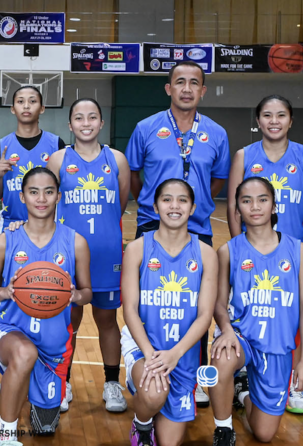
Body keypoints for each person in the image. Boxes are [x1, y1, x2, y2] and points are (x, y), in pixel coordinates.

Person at [125, 61, 229, 405]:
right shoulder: (145, 128)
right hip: (151, 225)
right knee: (150, 306)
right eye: (179, 82)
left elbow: (216, 181)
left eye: (194, 83)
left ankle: (198, 378)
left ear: (203, 90)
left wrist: (192, 205)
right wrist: (158, 205)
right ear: (168, 88)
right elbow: (136, 177)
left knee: (197, 306)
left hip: (197, 228)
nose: (186, 88)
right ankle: (143, 364)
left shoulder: (216, 133)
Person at [225, 94, 303, 415]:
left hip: (291, 252)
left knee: (290, 316)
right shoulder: (244, 156)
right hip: (252, 252)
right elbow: (231, 205)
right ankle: (243, 375)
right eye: (267, 115)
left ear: (291, 120)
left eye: (281, 115)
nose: (274, 121)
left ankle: (294, 382)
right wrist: (240, 249)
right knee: (249, 312)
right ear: (258, 121)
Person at [0, 167, 92, 445]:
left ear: (58, 196)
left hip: (53, 346)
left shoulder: (76, 242)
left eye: (48, 191)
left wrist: (75, 296)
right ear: (22, 196)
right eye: (33, 192)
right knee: (24, 352)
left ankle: (21, 383)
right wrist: (7, 292)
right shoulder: (6, 241)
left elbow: (88, 292)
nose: (41, 198)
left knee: (45, 428)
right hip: (10, 330)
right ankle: (6, 436)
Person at [210, 177, 303, 446]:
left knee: (264, 434)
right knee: (222, 360)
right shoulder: (228, 251)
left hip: (277, 346)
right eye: (246, 201)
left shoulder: (298, 251)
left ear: (274, 206)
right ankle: (223, 430)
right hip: (241, 336)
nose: (254, 207)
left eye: (262, 199)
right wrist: (228, 331)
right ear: (237, 210)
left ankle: (243, 393)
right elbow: (219, 304)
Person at [46, 98, 129, 413]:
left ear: (101, 123)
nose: (86, 122)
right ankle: (63, 381)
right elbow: (49, 204)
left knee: (108, 320)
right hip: (68, 256)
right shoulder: (57, 159)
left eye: (92, 116)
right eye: (79, 117)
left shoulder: (117, 159)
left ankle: (111, 383)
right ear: (70, 125)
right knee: (70, 321)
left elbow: (119, 204)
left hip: (107, 254)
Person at [119, 178, 217, 446]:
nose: (175, 206)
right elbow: (129, 310)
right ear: (155, 205)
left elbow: (205, 316)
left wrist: (175, 354)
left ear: (193, 207)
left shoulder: (206, 254)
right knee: (153, 394)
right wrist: (150, 355)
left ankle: (151, 410)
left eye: (182, 200)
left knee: (170, 443)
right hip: (144, 347)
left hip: (182, 354)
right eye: (167, 199)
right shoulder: (137, 248)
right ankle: (142, 422)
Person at [0, 85, 66, 229]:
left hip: (49, 226)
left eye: (32, 101)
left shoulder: (56, 144)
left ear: (42, 108)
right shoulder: (1, 146)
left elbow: (64, 189)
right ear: (12, 109)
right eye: (20, 102)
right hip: (10, 225)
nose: (26, 106)